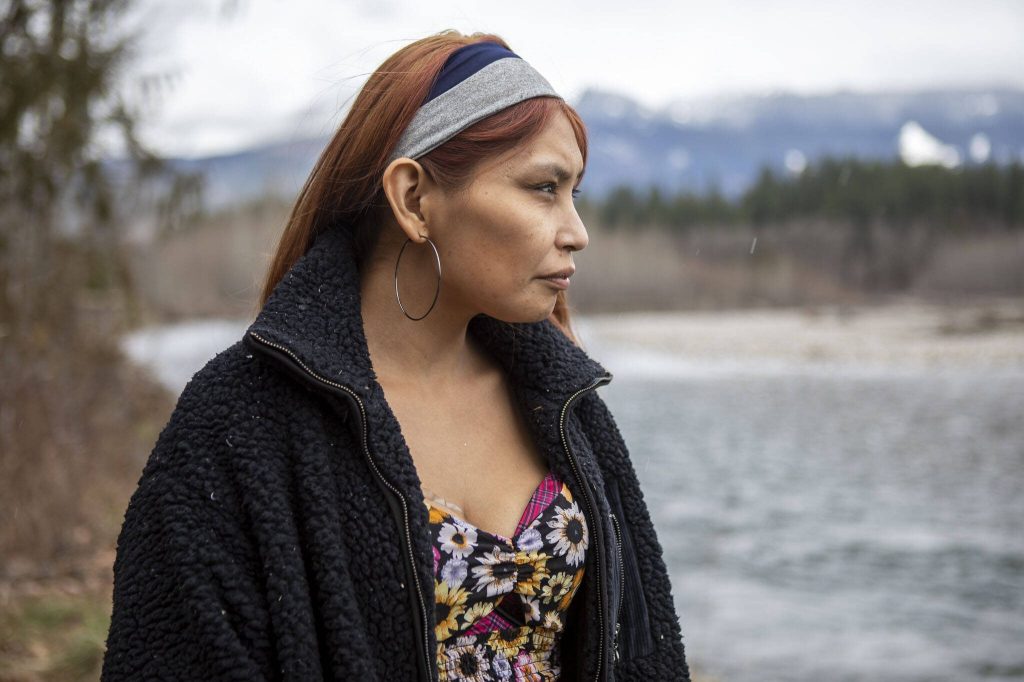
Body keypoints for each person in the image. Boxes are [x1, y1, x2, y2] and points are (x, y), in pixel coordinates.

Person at [101, 30, 691, 682]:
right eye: (543, 188)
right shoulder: (239, 424)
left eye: (574, 193)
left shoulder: (567, 407)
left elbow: (645, 651)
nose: (577, 232)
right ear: (413, 198)